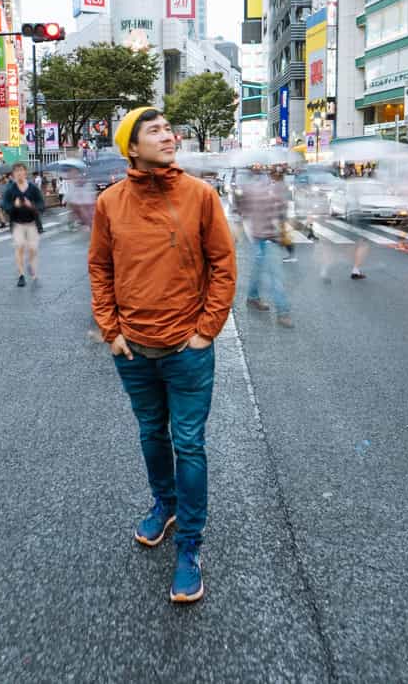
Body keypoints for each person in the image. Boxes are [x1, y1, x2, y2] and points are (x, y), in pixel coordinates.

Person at [88, 107, 237, 604]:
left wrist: (205, 331)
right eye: (153, 130)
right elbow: (100, 269)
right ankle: (164, 504)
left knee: (189, 445)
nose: (168, 135)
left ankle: (190, 546)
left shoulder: (200, 196)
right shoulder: (111, 203)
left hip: (187, 349)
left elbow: (222, 266)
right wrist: (111, 331)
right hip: (133, 349)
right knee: (151, 433)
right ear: (131, 146)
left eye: (169, 128)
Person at [238, 169, 293, 326]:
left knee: (258, 268)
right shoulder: (272, 191)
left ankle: (252, 297)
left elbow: (242, 211)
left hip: (258, 237)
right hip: (269, 238)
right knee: (276, 276)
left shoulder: (248, 189)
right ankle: (283, 312)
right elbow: (281, 211)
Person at [0, 163, 44, 287]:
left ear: (25, 172)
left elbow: (41, 203)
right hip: (17, 223)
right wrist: (14, 206)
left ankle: (30, 264)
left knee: (33, 249)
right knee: (19, 247)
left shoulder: (33, 188)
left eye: (21, 170)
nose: (19, 173)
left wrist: (32, 205)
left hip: (32, 223)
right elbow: (4, 204)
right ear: (13, 174)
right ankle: (21, 275)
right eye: (16, 171)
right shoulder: (10, 189)